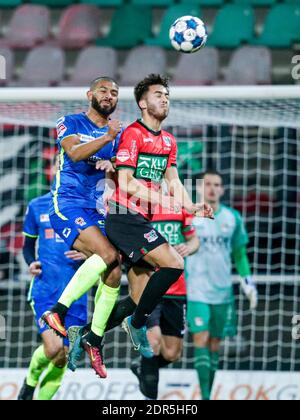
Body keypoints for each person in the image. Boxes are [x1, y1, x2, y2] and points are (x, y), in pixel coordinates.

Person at [105, 74, 214, 358]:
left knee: (138, 295)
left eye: (166, 95)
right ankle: (136, 323)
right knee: (174, 263)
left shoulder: (168, 141)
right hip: (123, 214)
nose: (164, 99)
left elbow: (174, 182)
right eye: (157, 95)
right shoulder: (132, 134)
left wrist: (190, 207)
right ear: (142, 102)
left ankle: (90, 333)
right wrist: (166, 201)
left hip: (141, 219)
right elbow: (126, 183)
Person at [41, 77, 123, 378]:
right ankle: (57, 312)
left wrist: (113, 165)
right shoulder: (70, 122)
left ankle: (95, 338)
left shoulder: (119, 134)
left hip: (98, 208)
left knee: (115, 268)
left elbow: (123, 174)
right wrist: (106, 140)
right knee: (105, 253)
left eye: (114, 93)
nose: (109, 96)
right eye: (103, 90)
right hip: (68, 202)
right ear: (90, 94)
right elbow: (75, 153)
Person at [18, 157, 88, 400]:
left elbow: (103, 250)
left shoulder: (85, 208)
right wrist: (31, 263)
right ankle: (29, 382)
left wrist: (86, 252)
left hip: (77, 293)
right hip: (46, 290)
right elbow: (28, 246)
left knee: (63, 357)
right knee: (53, 348)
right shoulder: (38, 206)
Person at [186, 170, 258, 401]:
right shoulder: (189, 216)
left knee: (215, 343)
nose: (212, 189)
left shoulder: (232, 217)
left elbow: (239, 253)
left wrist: (248, 282)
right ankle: (205, 396)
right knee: (200, 337)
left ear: (223, 189)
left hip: (223, 291)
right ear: (199, 188)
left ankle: (209, 389)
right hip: (196, 288)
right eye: (207, 184)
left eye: (217, 185)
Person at [130, 204, 200, 400]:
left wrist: (189, 247)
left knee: (172, 354)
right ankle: (150, 398)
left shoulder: (180, 206)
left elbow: (194, 240)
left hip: (177, 290)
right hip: (150, 285)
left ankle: (143, 368)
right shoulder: (140, 205)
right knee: (153, 342)